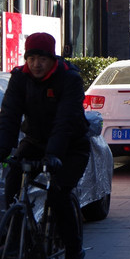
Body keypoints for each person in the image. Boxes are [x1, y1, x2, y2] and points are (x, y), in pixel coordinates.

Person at [0, 32, 90, 259]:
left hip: (70, 146)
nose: (35, 64)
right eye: (30, 58)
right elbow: (10, 116)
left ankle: (73, 249)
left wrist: (53, 154)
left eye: (41, 59)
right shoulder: (20, 77)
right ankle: (17, 238)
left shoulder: (69, 79)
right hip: (35, 141)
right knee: (13, 180)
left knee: (58, 193)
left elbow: (65, 121)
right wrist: (2, 149)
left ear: (52, 58)